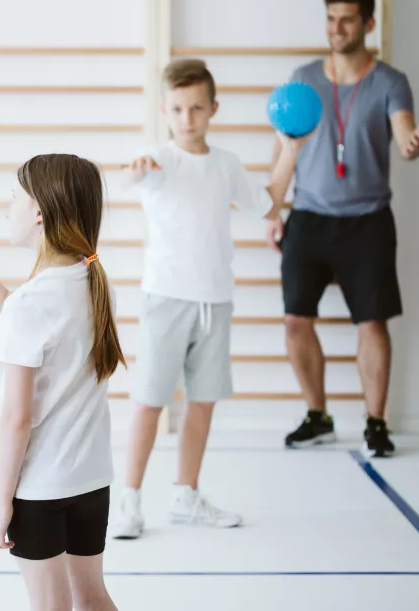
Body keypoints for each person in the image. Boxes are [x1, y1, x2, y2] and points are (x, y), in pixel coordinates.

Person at [112, 60, 302, 539]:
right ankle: (129, 500)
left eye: (197, 107)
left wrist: (290, 149)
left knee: (202, 402)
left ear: (213, 108)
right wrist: (136, 170)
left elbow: (268, 203)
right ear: (164, 110)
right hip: (165, 299)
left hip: (215, 302)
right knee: (149, 401)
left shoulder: (226, 164)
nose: (188, 117)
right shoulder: (156, 161)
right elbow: (127, 178)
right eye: (178, 108)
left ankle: (186, 494)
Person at [0, 156, 124, 611]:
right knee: (92, 598)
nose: (6, 208)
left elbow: (16, 417)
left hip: (40, 489)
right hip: (91, 481)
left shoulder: (31, 304)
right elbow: (12, 312)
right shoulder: (94, 283)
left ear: (40, 213)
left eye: (14, 198)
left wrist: (1, 503)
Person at [269, 0, 419, 458]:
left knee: (372, 324)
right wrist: (272, 211)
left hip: (368, 220)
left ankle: (376, 424)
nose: (336, 28)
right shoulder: (303, 79)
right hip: (308, 217)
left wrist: (412, 146)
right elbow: (282, 148)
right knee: (295, 322)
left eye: (347, 19)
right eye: (331, 18)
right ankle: (317, 417)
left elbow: (405, 134)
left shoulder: (390, 82)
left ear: (368, 23)